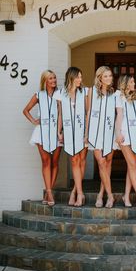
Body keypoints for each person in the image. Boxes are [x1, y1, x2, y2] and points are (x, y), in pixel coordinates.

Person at [23, 70, 61, 206]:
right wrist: (34, 121)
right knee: (46, 162)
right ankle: (49, 192)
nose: (53, 80)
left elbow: (63, 113)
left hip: (56, 132)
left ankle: (47, 192)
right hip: (42, 132)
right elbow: (25, 110)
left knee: (55, 162)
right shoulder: (39, 95)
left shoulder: (60, 94)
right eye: (50, 78)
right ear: (45, 80)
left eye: (54, 78)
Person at [56, 67, 88, 207]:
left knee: (81, 160)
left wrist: (87, 133)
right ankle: (79, 193)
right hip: (69, 132)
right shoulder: (60, 94)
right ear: (71, 77)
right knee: (74, 161)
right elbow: (61, 114)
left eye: (81, 77)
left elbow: (88, 113)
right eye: (78, 77)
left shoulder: (85, 92)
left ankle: (76, 192)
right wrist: (59, 131)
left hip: (83, 132)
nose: (80, 80)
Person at [86, 66, 115, 208]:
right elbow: (89, 112)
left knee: (108, 163)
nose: (109, 78)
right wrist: (86, 133)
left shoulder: (113, 93)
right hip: (94, 133)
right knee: (101, 163)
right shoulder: (91, 91)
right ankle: (110, 196)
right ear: (99, 78)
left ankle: (100, 193)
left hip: (110, 133)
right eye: (105, 76)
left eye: (110, 76)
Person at [115, 75, 136, 208]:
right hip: (125, 135)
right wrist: (118, 133)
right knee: (132, 165)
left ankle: (126, 195)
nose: (134, 83)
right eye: (131, 81)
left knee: (131, 166)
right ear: (126, 84)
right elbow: (119, 115)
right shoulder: (119, 97)